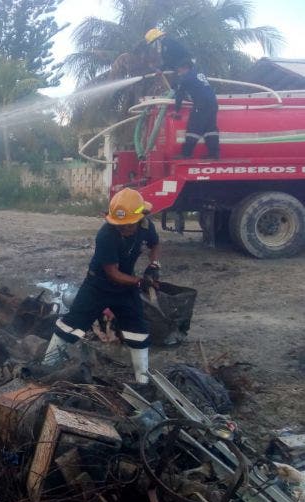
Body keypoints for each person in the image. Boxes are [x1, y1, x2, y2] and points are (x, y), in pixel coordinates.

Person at [42, 188, 161, 384]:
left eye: (128, 225)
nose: (123, 229)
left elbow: (154, 244)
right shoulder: (106, 235)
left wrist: (154, 265)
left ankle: (143, 379)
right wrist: (140, 282)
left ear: (140, 217)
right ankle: (45, 368)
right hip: (98, 286)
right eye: (120, 226)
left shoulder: (147, 227)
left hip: (126, 288)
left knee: (137, 329)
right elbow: (113, 273)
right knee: (72, 325)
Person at [173, 61, 220, 159]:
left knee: (193, 128)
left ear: (185, 67)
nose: (179, 71)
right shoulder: (199, 75)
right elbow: (200, 89)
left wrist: (176, 110)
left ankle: (186, 154)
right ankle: (213, 154)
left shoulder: (186, 78)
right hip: (213, 104)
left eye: (180, 69)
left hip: (201, 105)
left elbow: (179, 95)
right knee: (210, 129)